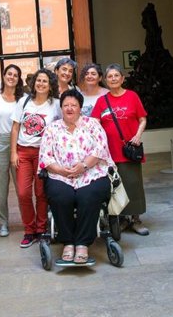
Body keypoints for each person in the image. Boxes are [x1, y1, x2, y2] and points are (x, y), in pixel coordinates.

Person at [39, 90, 113, 264]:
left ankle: (82, 244)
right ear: (61, 108)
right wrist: (61, 170)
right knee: (61, 196)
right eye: (66, 105)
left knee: (88, 196)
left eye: (74, 105)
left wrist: (84, 166)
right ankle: (68, 242)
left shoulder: (93, 124)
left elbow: (100, 149)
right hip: (60, 175)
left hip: (91, 173)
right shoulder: (52, 128)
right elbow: (45, 157)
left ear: (80, 107)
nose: (70, 108)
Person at [91, 63, 149, 236]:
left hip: (129, 150)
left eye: (117, 76)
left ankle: (136, 219)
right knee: (115, 187)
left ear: (122, 78)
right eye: (110, 76)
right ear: (106, 80)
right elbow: (94, 124)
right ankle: (122, 219)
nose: (113, 79)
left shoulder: (132, 96)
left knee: (134, 185)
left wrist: (138, 135)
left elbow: (143, 119)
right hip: (109, 153)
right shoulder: (102, 101)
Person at [10, 68, 61, 248]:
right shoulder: (24, 102)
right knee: (23, 193)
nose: (40, 84)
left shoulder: (56, 104)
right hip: (23, 152)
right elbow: (15, 128)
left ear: (50, 85)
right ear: (33, 83)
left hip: (43, 154)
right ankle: (29, 230)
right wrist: (13, 153)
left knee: (41, 193)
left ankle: (41, 229)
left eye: (45, 81)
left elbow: (61, 128)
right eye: (38, 80)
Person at [0, 64, 26, 237]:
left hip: (20, 143)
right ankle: (3, 223)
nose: (11, 77)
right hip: (0, 142)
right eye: (9, 74)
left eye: (15, 75)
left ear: (19, 79)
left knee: (22, 186)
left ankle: (27, 221)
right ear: (3, 76)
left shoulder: (24, 98)